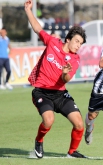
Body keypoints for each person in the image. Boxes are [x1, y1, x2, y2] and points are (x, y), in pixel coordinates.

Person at [24, 0, 87, 158]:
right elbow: (38, 28)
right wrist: (28, 10)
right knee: (48, 121)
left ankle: (72, 152)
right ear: (68, 39)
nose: (79, 45)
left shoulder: (75, 59)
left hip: (60, 93)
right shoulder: (52, 42)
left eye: (81, 43)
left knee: (79, 124)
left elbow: (66, 79)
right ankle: (39, 140)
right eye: (77, 41)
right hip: (41, 92)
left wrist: (64, 73)